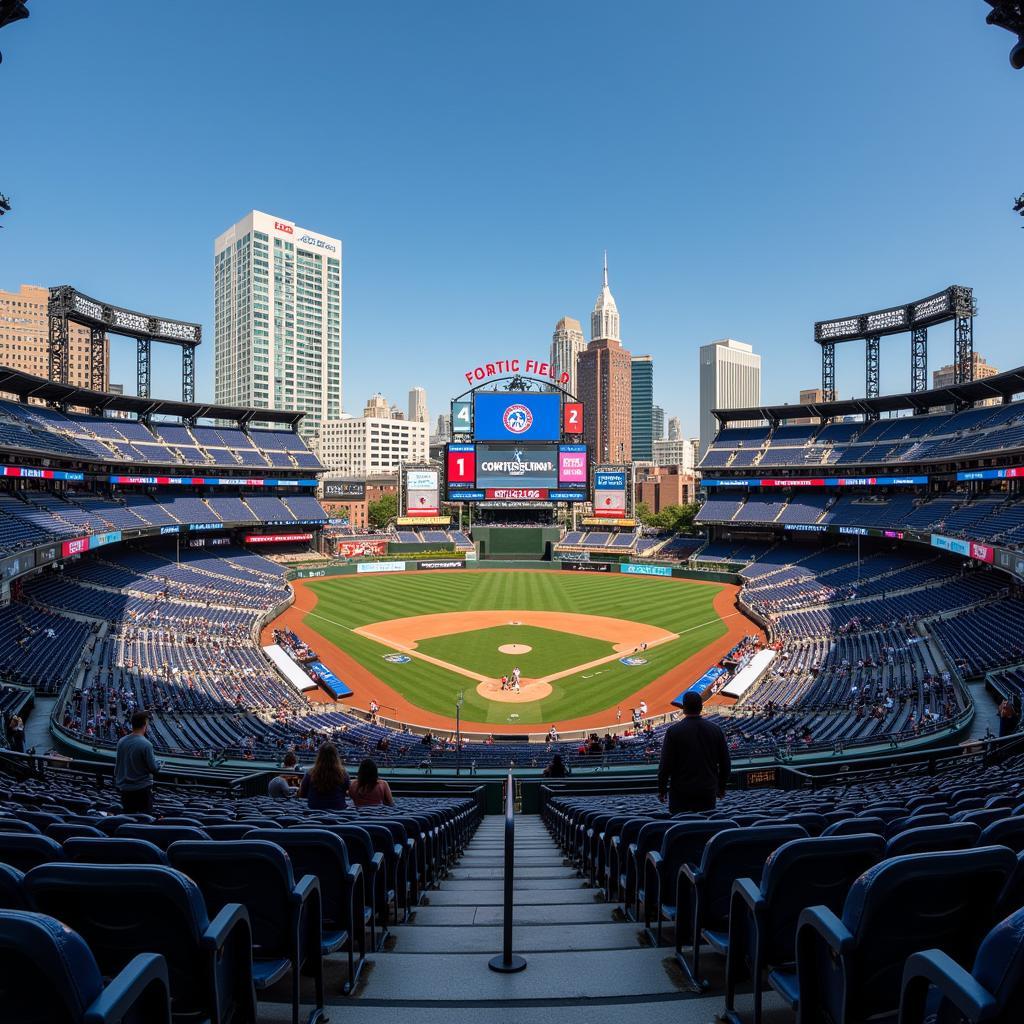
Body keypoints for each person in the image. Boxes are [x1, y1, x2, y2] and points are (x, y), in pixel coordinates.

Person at [657, 691, 730, 814]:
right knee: (704, 829)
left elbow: (665, 766)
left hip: (680, 793)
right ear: (701, 707)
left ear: (683, 708)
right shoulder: (715, 730)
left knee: (679, 829)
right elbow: (725, 764)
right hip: (707, 791)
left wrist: (662, 790)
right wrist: (721, 788)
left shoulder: (673, 731)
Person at [114, 710, 162, 813]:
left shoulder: (121, 741)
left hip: (125, 790)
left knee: (128, 818)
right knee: (144, 820)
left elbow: (118, 766)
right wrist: (159, 764)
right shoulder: (146, 744)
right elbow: (153, 768)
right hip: (142, 790)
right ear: (145, 725)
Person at [298, 742, 350, 810]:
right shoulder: (343, 773)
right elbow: (347, 792)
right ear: (336, 757)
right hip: (338, 811)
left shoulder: (310, 773)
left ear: (319, 756)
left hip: (313, 814)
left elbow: (302, 794)